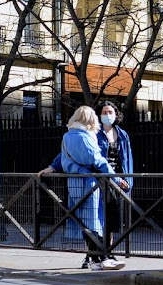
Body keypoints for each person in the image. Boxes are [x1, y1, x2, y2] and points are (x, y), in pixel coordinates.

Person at [37, 106, 123, 271]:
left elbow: (63, 156)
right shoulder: (85, 137)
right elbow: (97, 160)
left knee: (84, 221)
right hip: (88, 182)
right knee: (93, 222)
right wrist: (117, 179)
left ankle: (96, 260)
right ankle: (103, 258)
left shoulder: (68, 135)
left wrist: (51, 168)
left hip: (73, 182)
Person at [95, 102, 134, 267]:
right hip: (101, 180)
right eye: (104, 112)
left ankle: (108, 252)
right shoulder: (95, 133)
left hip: (120, 181)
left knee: (112, 220)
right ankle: (94, 254)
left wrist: (129, 180)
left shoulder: (122, 134)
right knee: (97, 218)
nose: (108, 115)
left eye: (110, 111)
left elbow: (128, 158)